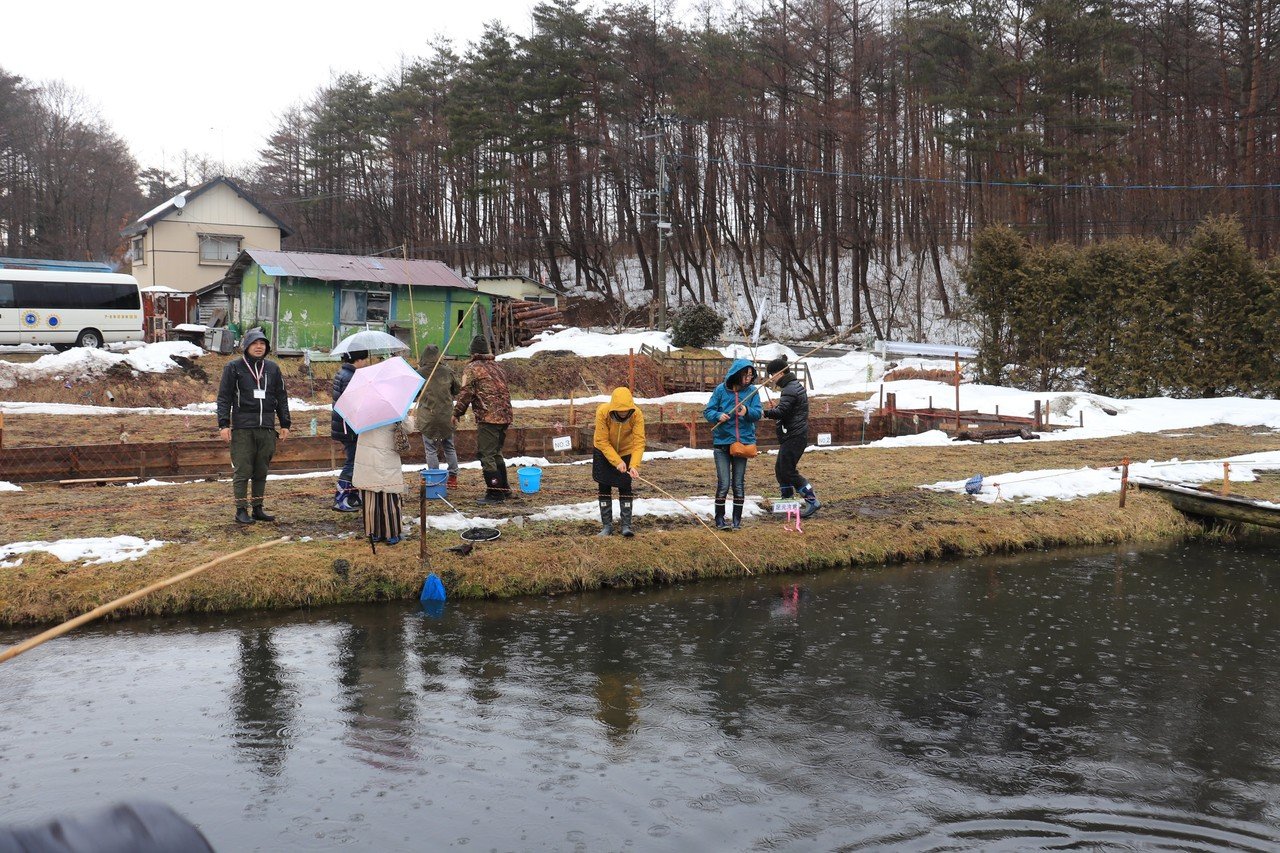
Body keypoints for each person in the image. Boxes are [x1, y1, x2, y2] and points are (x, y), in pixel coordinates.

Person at [216, 328, 290, 524]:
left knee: (261, 470)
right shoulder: (233, 367)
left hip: (266, 427)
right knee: (242, 471)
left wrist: (285, 423)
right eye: (255, 343)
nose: (259, 347)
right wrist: (224, 424)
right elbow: (224, 397)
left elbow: (281, 397)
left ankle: (258, 508)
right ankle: (241, 510)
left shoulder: (272, 368)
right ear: (246, 345)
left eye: (262, 344)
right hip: (242, 428)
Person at [453, 334, 513, 505]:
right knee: (496, 453)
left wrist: (456, 413)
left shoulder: (472, 368)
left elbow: (466, 393)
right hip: (505, 416)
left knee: (486, 455)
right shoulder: (497, 367)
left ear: (472, 352)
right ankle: (504, 489)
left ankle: (495, 493)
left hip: (489, 417)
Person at [703, 358, 762, 531]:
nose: (749, 379)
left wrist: (747, 411)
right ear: (737, 374)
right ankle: (720, 520)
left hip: (743, 444)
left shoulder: (752, 392)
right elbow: (708, 411)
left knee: (738, 483)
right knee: (724, 483)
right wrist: (718, 416)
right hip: (722, 443)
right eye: (746, 375)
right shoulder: (721, 390)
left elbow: (758, 413)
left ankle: (737, 521)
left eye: (751, 375)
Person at [763, 354, 820, 518]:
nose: (771, 378)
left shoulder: (789, 389)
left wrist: (765, 412)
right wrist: (779, 407)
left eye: (772, 375)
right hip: (795, 435)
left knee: (787, 470)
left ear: (779, 373)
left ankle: (812, 500)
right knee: (781, 469)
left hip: (795, 436)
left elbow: (782, 412)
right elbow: (788, 410)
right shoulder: (792, 386)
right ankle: (787, 501)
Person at [593, 386, 646, 537]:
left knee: (625, 486)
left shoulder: (637, 414)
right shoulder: (602, 412)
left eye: (625, 413)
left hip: (626, 451)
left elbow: (639, 442)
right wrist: (616, 461)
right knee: (604, 485)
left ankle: (626, 525)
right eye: (620, 413)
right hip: (603, 451)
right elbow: (602, 440)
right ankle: (607, 526)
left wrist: (634, 465)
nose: (623, 415)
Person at [352, 420, 409, 545]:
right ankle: (391, 533)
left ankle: (374, 532)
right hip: (385, 457)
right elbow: (408, 427)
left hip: (366, 457)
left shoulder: (363, 411)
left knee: (370, 499)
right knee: (389, 498)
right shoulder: (392, 411)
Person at [415, 344, 461, 490]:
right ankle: (452, 478)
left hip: (427, 416)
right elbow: (458, 389)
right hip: (446, 416)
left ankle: (435, 479)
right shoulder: (448, 371)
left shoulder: (419, 373)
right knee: (449, 447)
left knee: (430, 449)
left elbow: (414, 394)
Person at [330, 348, 370, 511]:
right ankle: (341, 498)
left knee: (356, 461)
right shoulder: (350, 377)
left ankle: (353, 496)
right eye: (365, 359)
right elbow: (353, 404)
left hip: (345, 425)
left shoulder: (345, 373)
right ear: (358, 360)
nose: (366, 362)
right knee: (353, 462)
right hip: (349, 427)